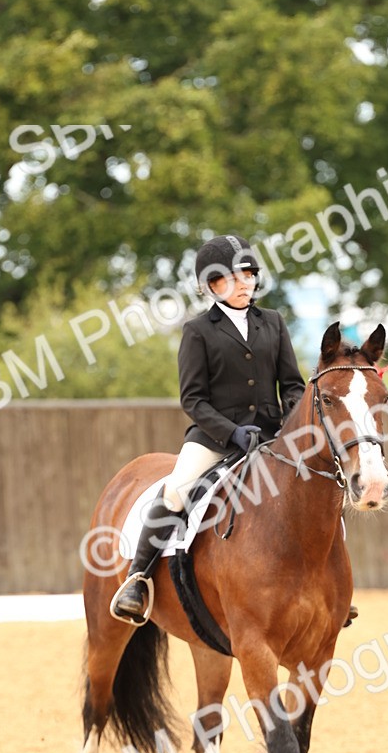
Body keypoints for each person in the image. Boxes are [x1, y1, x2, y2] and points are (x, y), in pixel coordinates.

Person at [111, 233, 306, 624]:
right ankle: (138, 578)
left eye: (249, 274)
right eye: (235, 277)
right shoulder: (198, 330)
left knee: (317, 487)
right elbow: (193, 399)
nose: (245, 283)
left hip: (271, 437)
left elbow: (293, 385)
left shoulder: (273, 323)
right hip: (216, 440)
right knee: (177, 490)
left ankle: (326, 581)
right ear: (211, 285)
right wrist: (232, 433)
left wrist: (288, 426)